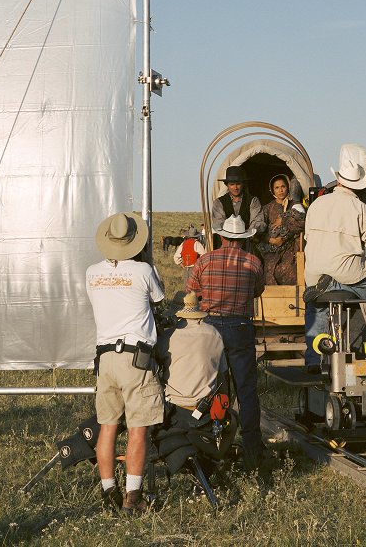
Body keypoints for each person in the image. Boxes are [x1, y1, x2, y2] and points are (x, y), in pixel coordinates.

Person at [86, 212, 165, 514]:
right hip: (136, 357)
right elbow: (159, 302)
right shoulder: (144, 270)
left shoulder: (92, 272)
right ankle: (133, 496)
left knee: (107, 427)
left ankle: (108, 490)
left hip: (104, 357)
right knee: (137, 428)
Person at [303, 147, 366, 372]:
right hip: (347, 276)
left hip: (316, 275)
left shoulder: (316, 205)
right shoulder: (359, 207)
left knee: (317, 312)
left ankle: (314, 358)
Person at [186, 214, 266, 470]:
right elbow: (258, 290)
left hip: (211, 327)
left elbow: (191, 291)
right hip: (240, 326)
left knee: (213, 388)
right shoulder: (253, 261)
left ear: (221, 237)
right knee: (246, 390)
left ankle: (214, 443)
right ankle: (253, 448)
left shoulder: (206, 260)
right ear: (242, 239)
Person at [157, 291, 228, 412]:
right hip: (205, 407)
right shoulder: (214, 334)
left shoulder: (168, 336)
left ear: (175, 314)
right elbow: (222, 374)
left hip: (172, 406)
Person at [258, 173, 306, 284]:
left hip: (291, 251)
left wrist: (284, 219)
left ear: (288, 187)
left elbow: (302, 223)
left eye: (283, 186)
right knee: (269, 272)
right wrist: (272, 240)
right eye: (277, 188)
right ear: (272, 190)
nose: (281, 190)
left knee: (290, 271)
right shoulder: (267, 209)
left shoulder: (296, 206)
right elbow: (259, 231)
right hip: (271, 250)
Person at [211, 166, 266, 246]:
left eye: (238, 184)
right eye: (232, 184)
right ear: (227, 185)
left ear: (243, 184)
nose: (235, 188)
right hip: (226, 244)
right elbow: (219, 223)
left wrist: (251, 232)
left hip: (247, 243)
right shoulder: (219, 202)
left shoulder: (253, 201)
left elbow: (258, 221)